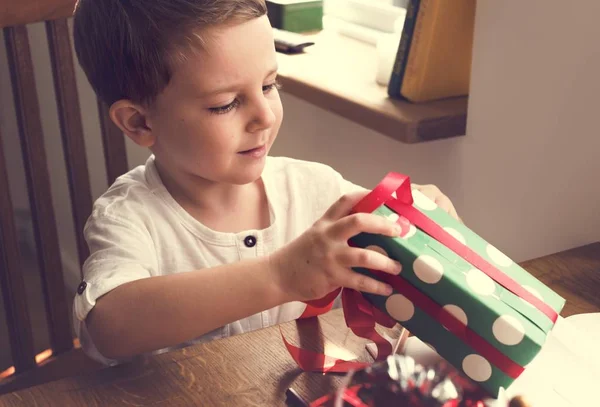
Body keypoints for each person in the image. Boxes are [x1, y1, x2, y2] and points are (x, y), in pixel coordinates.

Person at [71, 0, 459, 366]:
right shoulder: (126, 218)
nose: (265, 116)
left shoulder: (316, 189)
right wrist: (279, 275)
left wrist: (416, 223)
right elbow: (109, 327)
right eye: (225, 103)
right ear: (140, 122)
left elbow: (381, 243)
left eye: (270, 85)